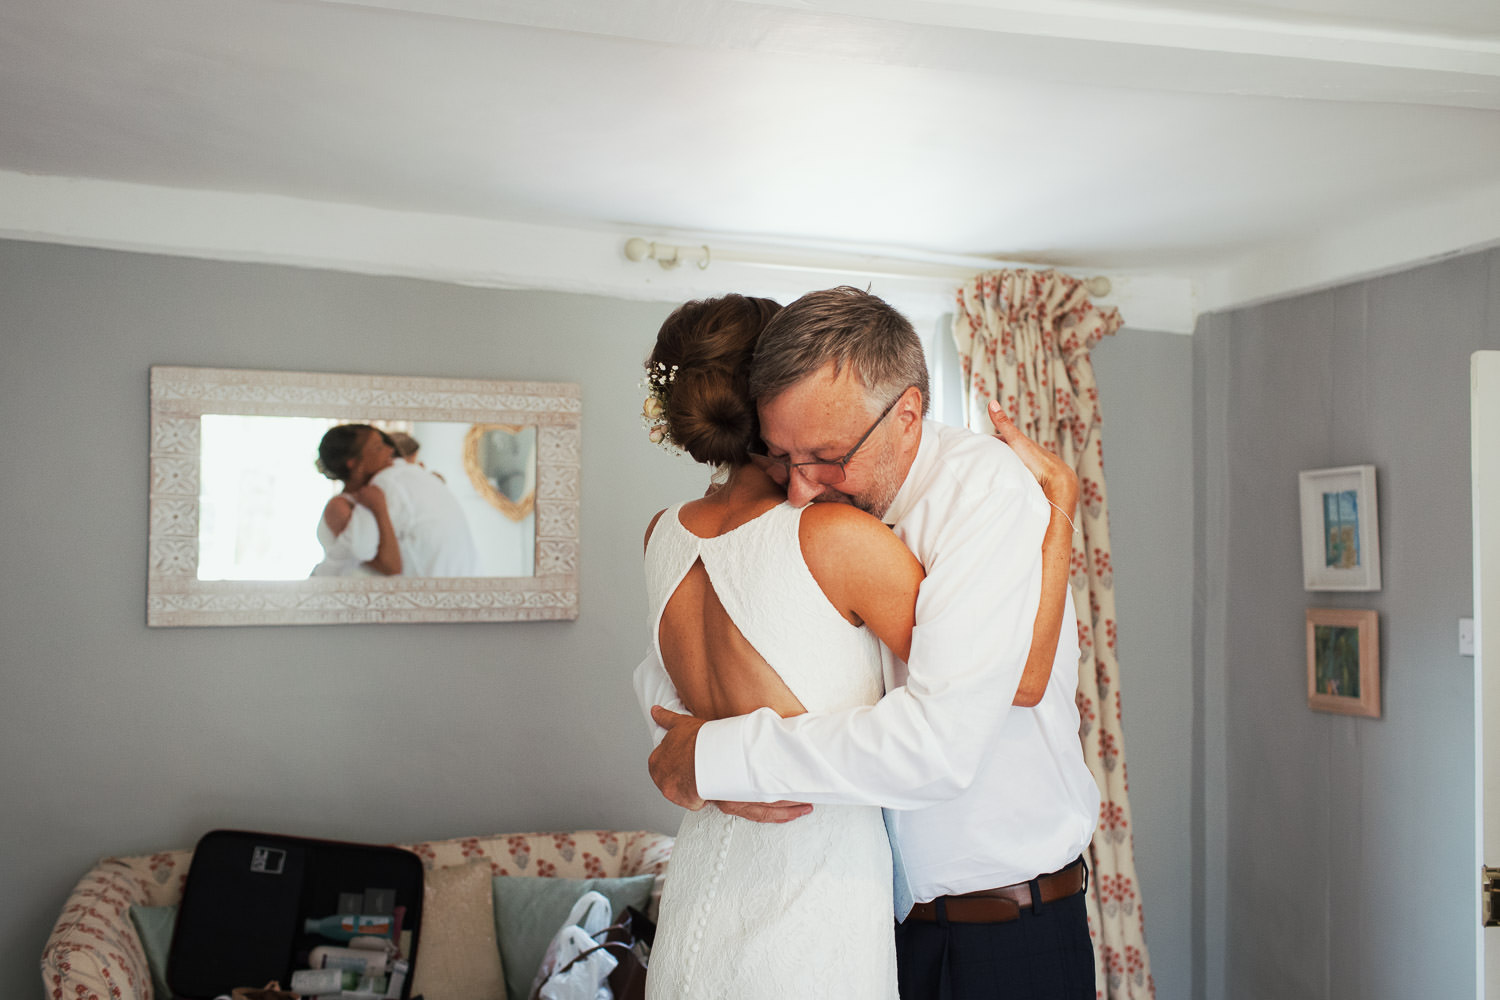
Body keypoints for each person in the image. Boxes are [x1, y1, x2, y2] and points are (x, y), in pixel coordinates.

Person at [639, 287, 1101, 1000]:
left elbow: (1009, 690)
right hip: (875, 922)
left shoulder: (978, 490)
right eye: (783, 454)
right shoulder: (823, 520)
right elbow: (661, 689)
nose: (801, 488)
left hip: (1003, 924)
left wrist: (718, 758)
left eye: (824, 455)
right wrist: (705, 761)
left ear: (907, 413)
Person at [312, 424, 480, 577]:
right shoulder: (344, 503)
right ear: (353, 463)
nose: (390, 451)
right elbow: (375, 558)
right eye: (378, 448)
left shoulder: (383, 489)